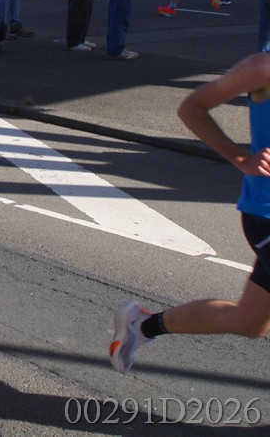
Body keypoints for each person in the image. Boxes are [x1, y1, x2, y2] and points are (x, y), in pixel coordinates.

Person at [109, 52, 270, 372]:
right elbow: (192, 108)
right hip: (266, 217)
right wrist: (239, 158)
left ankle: (141, 326)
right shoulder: (262, 69)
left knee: (249, 322)